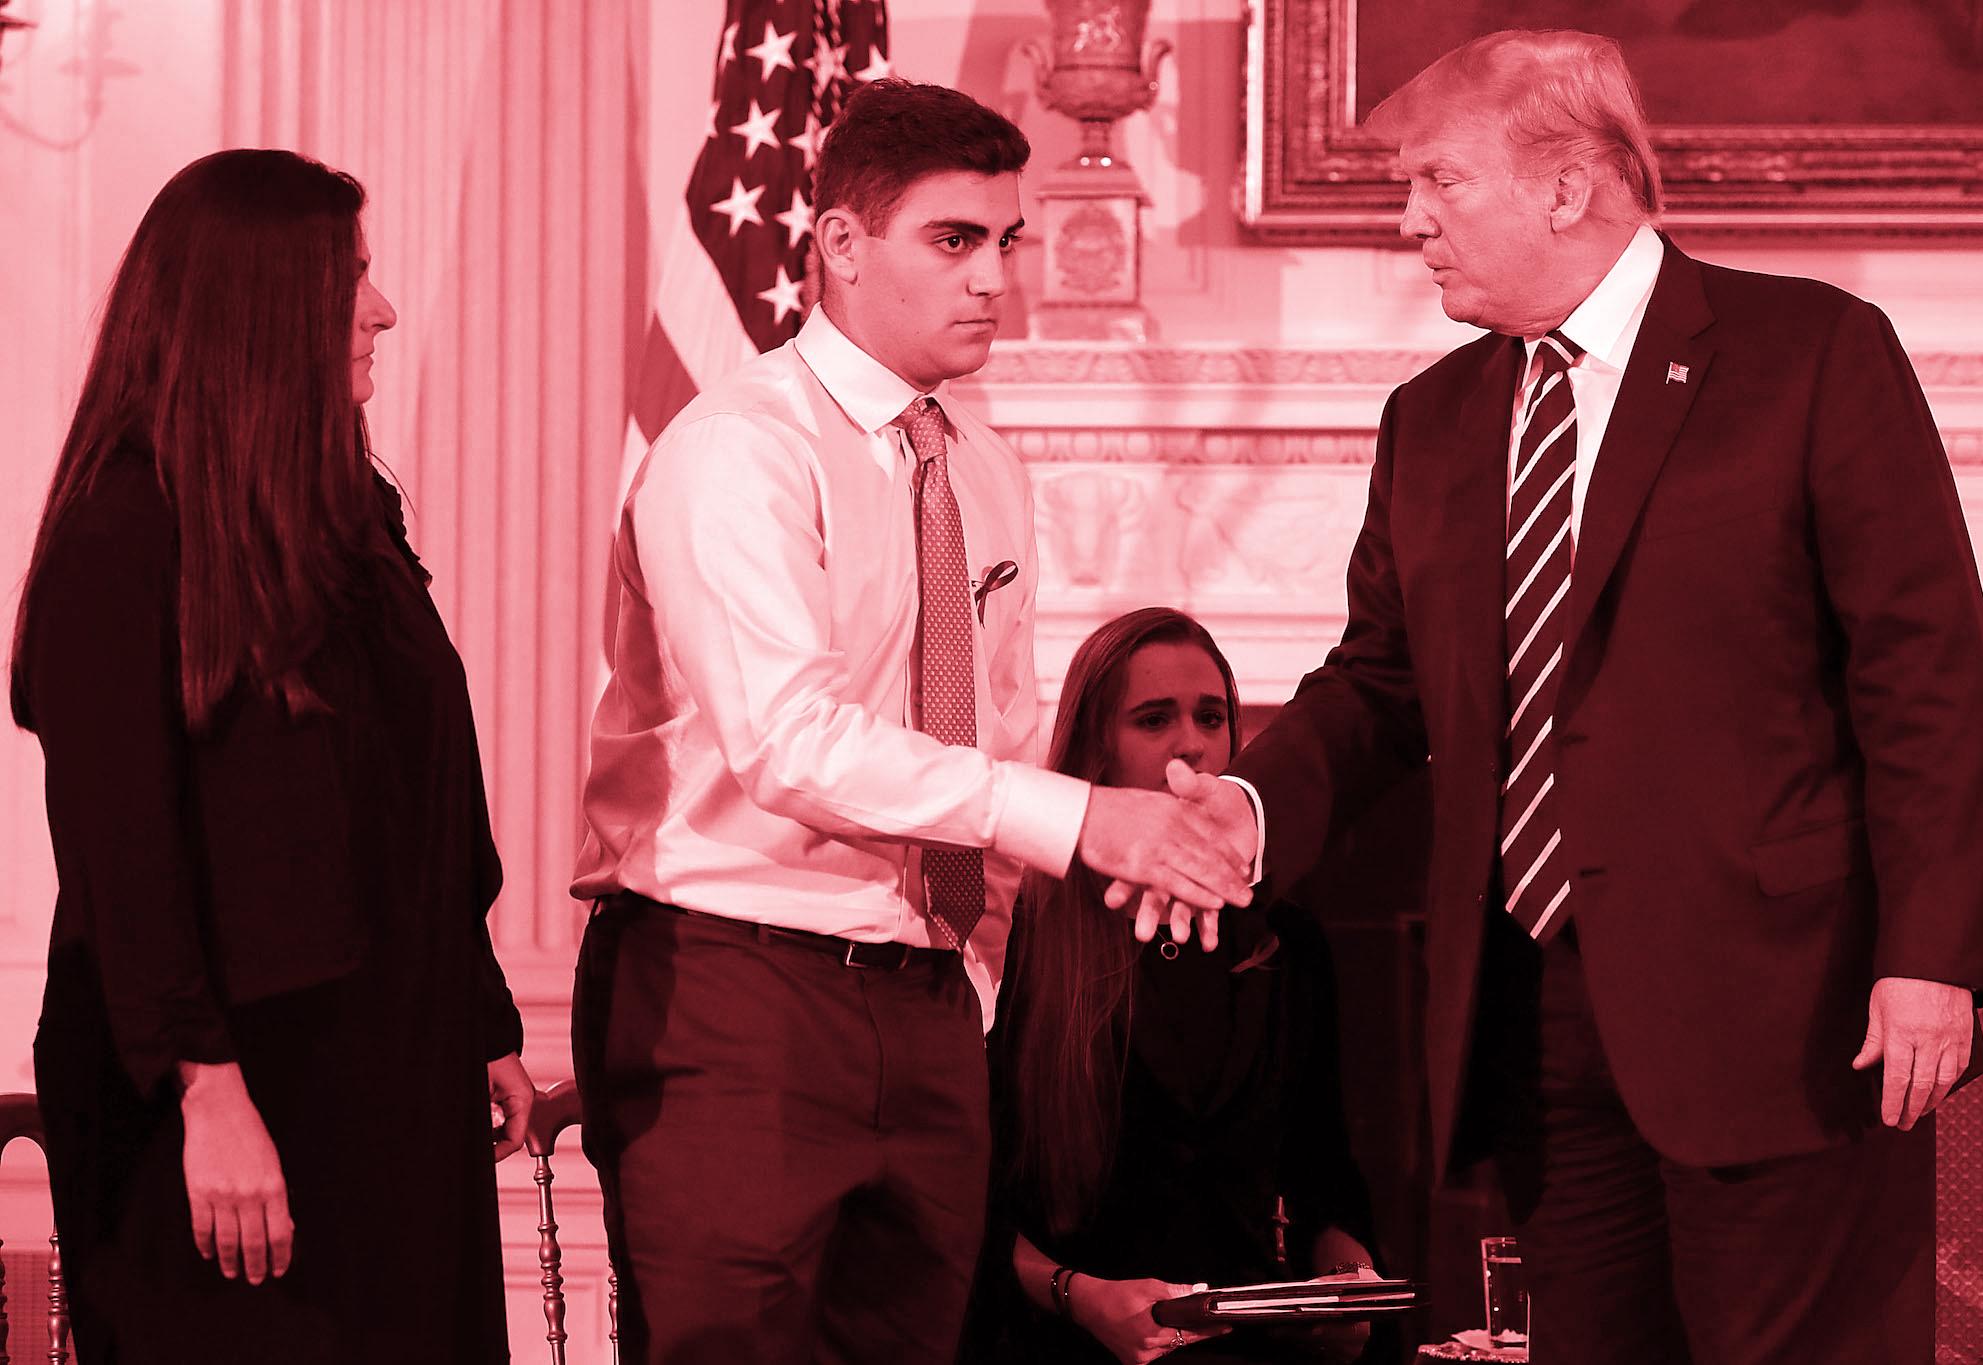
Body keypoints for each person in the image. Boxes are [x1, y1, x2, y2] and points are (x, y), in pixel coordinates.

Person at [1165, 29, 1983, 1365]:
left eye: (1439, 181)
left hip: (1790, 1016)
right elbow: (1381, 680)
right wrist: (1247, 806)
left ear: (1565, 186)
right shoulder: (1433, 418)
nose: (1409, 221)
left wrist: (1931, 959)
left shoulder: (1811, 353)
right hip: (1536, 1021)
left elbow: (1928, 676)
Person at [570, 81, 1249, 1365]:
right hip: (735, 987)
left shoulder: (982, 468)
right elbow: (789, 740)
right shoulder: (737, 450)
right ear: (837, 244)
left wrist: (977, 968)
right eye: (953, 241)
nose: (994, 278)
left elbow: (983, 742)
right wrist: (1086, 819)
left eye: (1007, 242)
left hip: (928, 997)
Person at [12, 149, 533, 1363]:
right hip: (223, 1103)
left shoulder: (353, 516)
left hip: (393, 1074)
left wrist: (484, 1015)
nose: (384, 309)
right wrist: (210, 1094)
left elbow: (426, 802)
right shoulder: (124, 530)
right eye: (351, 276)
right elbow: (120, 852)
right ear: (257, 306)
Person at [974, 608, 1394, 1365]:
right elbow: (971, 1214)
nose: (1192, 743)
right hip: (1068, 1343)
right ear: (1096, 751)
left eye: (1211, 716)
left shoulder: (1285, 937)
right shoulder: (1023, 930)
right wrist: (1083, 1295)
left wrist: (1349, 1282)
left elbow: (1326, 1180)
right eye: (1154, 719)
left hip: (1252, 1347)